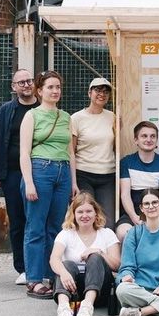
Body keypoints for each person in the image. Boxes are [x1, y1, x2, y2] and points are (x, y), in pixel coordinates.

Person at [20, 70, 77, 299]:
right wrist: (29, 182)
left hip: (62, 172)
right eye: (50, 87)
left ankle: (51, 274)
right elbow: (24, 152)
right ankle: (33, 279)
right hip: (40, 170)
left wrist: (73, 181)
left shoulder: (66, 117)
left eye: (58, 87)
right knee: (35, 227)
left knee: (56, 227)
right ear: (40, 91)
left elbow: (71, 152)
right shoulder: (32, 115)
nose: (55, 91)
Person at [0, 69, 38, 286]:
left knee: (37, 220)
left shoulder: (43, 108)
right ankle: (23, 268)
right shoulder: (6, 111)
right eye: (21, 82)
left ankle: (41, 265)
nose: (26, 85)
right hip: (12, 173)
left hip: (39, 170)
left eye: (29, 81)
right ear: (13, 87)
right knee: (18, 220)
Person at [50, 193, 121, 316]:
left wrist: (99, 252)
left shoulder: (107, 233)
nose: (85, 215)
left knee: (94, 258)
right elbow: (54, 259)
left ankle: (87, 307)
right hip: (73, 288)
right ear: (74, 215)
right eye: (80, 212)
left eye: (89, 211)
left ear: (96, 213)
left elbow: (117, 265)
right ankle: (64, 309)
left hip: (100, 289)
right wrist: (63, 273)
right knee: (66, 264)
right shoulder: (66, 234)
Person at [116, 121, 159, 241]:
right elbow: (125, 195)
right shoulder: (126, 162)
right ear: (136, 140)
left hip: (158, 211)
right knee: (123, 233)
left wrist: (152, 218)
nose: (149, 139)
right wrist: (134, 217)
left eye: (153, 136)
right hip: (133, 211)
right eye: (144, 136)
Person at [70, 77, 117, 225]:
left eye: (106, 91)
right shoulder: (76, 118)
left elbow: (116, 147)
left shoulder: (113, 117)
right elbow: (71, 151)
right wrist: (73, 182)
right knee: (86, 218)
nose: (101, 94)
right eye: (97, 90)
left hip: (107, 175)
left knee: (108, 221)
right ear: (89, 93)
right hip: (83, 173)